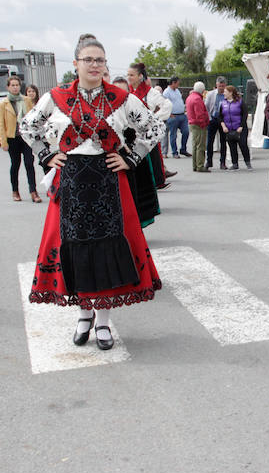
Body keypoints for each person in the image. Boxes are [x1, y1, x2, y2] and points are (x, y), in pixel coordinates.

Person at [19, 33, 164, 350]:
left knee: (106, 249)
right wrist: (46, 155)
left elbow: (153, 127)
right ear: (75, 64)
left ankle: (103, 323)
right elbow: (28, 126)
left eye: (100, 60)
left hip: (109, 182)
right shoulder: (55, 98)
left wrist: (130, 157)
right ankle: (83, 316)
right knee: (76, 248)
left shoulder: (120, 98)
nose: (95, 65)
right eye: (89, 59)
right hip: (70, 184)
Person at [112, 73, 161, 228]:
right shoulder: (105, 110)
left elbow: (154, 127)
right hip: (112, 162)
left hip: (133, 160)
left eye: (123, 91)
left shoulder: (134, 105)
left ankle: (135, 229)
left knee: (136, 196)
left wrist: (135, 153)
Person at [127, 63, 175, 187]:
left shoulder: (151, 93)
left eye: (132, 75)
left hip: (146, 135)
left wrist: (154, 120)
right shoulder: (127, 92)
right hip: (132, 134)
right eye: (128, 75)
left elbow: (167, 105)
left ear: (140, 76)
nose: (129, 78)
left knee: (150, 161)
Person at [0, 76, 40, 203]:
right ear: (8, 87)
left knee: (29, 163)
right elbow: (1, 124)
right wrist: (3, 142)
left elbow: (33, 118)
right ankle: (15, 191)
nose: (15, 87)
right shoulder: (3, 104)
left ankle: (33, 191)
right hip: (13, 138)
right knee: (15, 165)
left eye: (17, 85)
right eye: (13, 85)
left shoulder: (26, 100)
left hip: (26, 137)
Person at [219, 85, 252, 170]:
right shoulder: (223, 103)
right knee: (232, 146)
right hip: (229, 128)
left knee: (243, 145)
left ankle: (248, 162)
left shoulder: (240, 102)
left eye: (225, 92)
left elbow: (245, 114)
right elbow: (220, 116)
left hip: (240, 128)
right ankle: (235, 163)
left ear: (230, 93)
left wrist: (241, 126)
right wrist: (223, 126)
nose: (224, 93)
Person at [162, 76, 190, 158]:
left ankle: (183, 149)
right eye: (178, 83)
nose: (179, 85)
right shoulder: (166, 92)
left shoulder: (177, 90)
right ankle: (174, 152)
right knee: (173, 135)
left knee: (186, 132)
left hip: (182, 115)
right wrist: (168, 114)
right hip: (173, 116)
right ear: (173, 83)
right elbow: (163, 104)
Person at [204, 77, 228, 170]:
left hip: (224, 120)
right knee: (210, 141)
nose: (221, 88)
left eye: (222, 86)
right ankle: (209, 161)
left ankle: (223, 162)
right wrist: (209, 118)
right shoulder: (210, 94)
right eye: (219, 86)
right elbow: (206, 106)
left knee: (223, 142)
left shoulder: (227, 94)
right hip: (213, 119)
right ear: (216, 85)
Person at [186, 81, 209, 172]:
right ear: (202, 90)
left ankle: (195, 165)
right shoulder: (197, 99)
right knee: (200, 146)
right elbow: (200, 114)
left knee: (195, 145)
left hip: (192, 123)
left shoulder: (190, 97)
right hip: (199, 124)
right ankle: (200, 165)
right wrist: (204, 124)